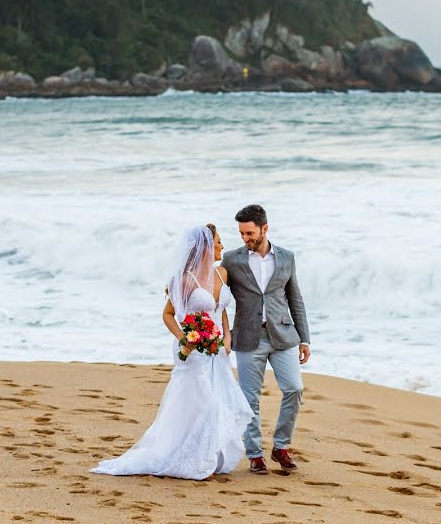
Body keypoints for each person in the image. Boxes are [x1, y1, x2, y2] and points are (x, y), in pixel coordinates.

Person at [91, 224, 253, 480]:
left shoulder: (222, 274)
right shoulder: (184, 280)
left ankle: (209, 457)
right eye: (219, 242)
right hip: (193, 351)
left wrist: (228, 335)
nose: (223, 246)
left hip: (218, 350)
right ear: (207, 247)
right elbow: (168, 314)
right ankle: (192, 459)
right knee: (204, 404)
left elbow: (220, 308)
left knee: (220, 402)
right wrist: (184, 339)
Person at [221, 204, 311, 473]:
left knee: (294, 388)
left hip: (283, 335)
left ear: (264, 229)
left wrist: (304, 339)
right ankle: (255, 454)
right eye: (241, 233)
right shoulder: (231, 259)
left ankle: (281, 447)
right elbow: (217, 296)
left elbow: (295, 298)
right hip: (248, 337)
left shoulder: (286, 257)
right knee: (250, 399)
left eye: (249, 233)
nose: (245, 238)